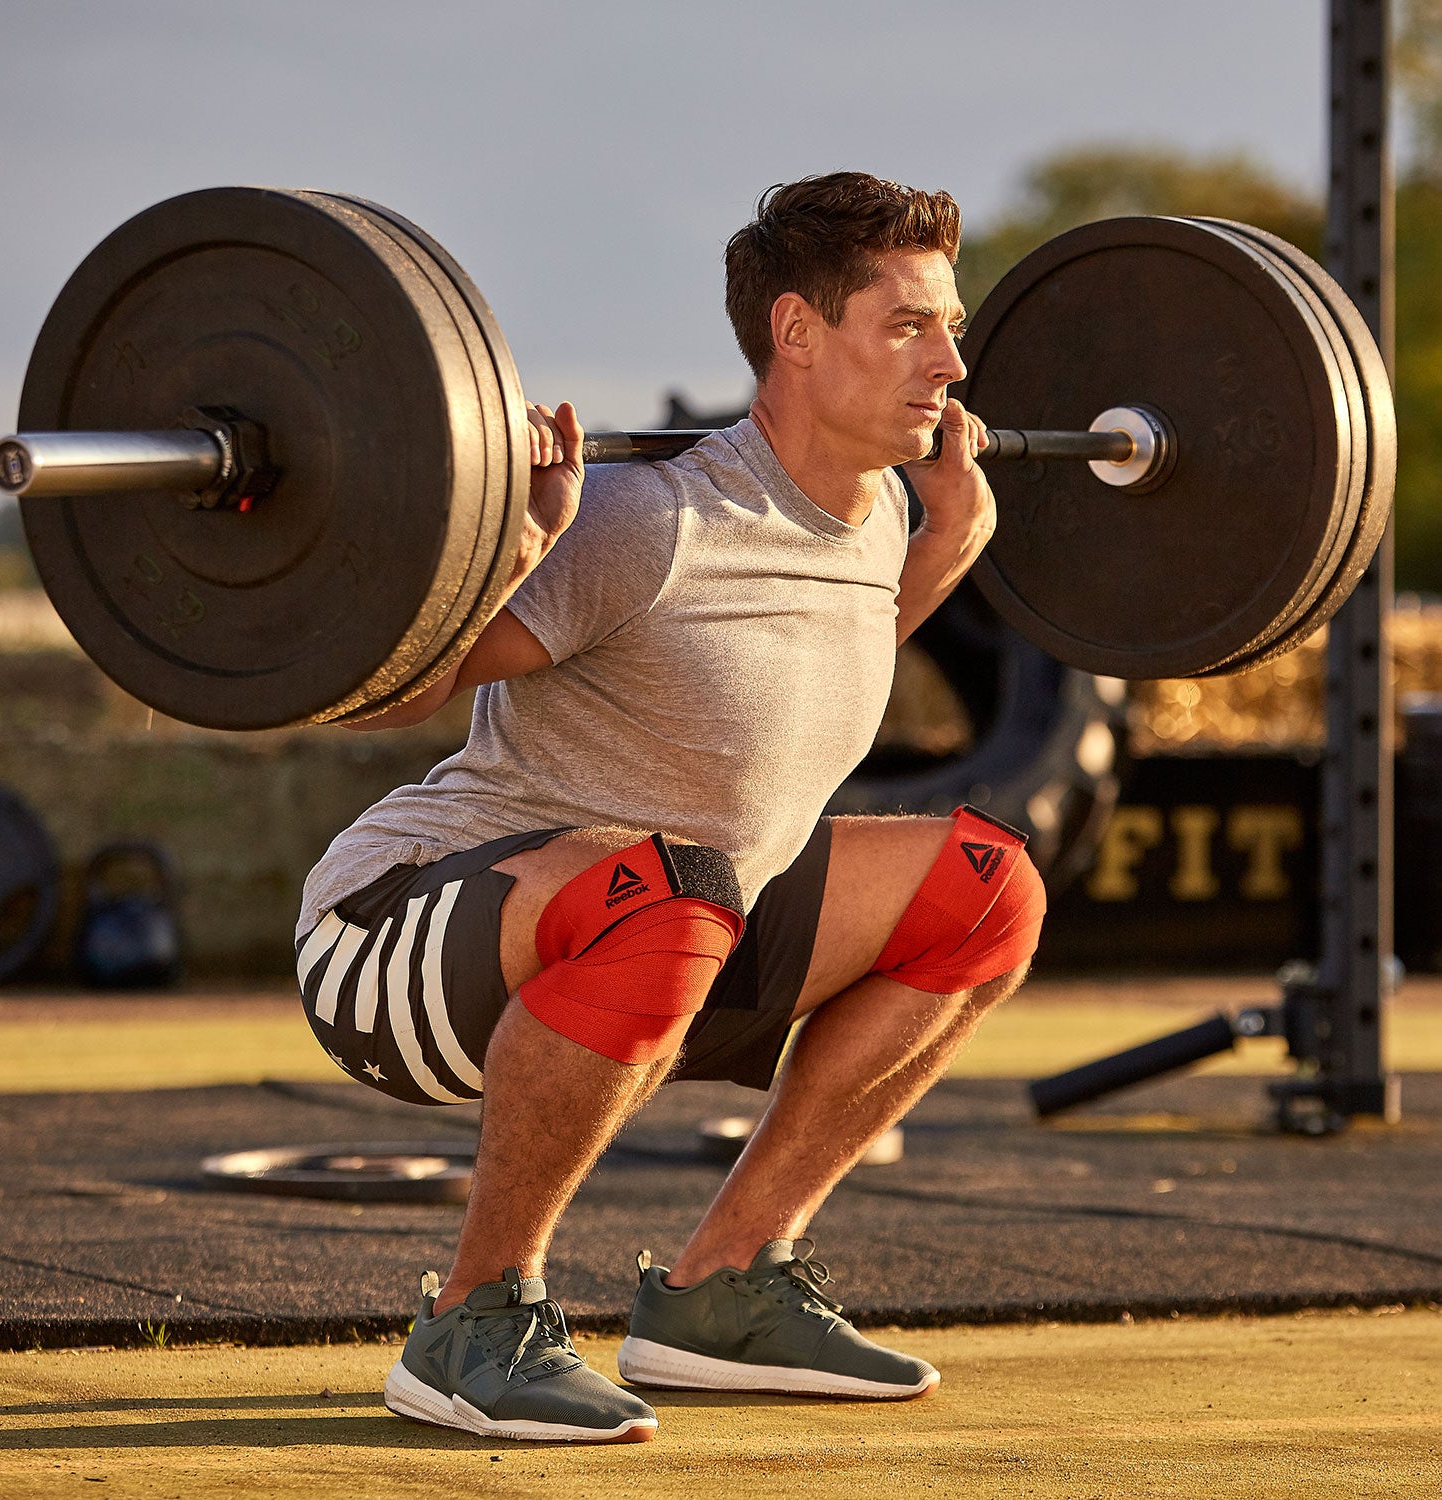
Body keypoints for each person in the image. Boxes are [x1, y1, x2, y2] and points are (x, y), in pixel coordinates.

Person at [295, 171, 1046, 1444]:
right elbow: (374, 699)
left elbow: (787, 684)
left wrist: (939, 552)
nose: (952, 364)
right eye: (911, 325)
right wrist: (519, 551)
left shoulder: (877, 517)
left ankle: (725, 1290)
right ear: (797, 332)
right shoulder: (649, 520)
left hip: (668, 931)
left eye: (952, 327)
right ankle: (474, 1319)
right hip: (396, 940)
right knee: (675, 891)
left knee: (987, 889)